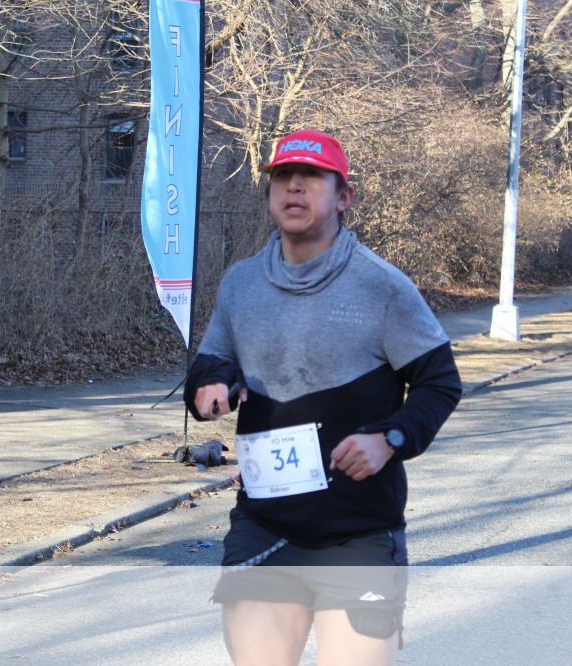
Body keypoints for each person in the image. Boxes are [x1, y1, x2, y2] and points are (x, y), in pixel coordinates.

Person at [184, 129, 462, 665]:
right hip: (264, 527)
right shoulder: (241, 283)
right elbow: (213, 360)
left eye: (311, 177)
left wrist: (391, 437)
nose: (294, 187)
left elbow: (440, 382)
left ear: (343, 197)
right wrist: (211, 386)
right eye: (282, 177)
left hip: (358, 533)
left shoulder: (382, 287)